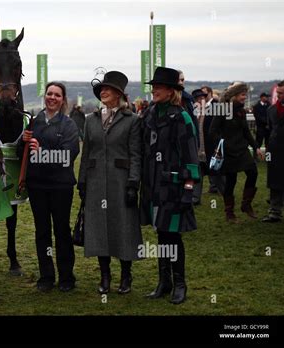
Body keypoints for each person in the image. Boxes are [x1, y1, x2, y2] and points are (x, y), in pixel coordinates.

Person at [78, 71, 143, 295]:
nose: (103, 92)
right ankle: (105, 276)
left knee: (123, 228)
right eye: (101, 90)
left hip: (121, 182)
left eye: (107, 89)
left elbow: (136, 154)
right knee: (99, 230)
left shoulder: (132, 120)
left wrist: (134, 183)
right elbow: (86, 153)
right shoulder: (91, 120)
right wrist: (82, 181)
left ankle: (126, 275)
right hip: (96, 183)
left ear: (118, 94)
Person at [140, 67, 200, 304]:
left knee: (172, 236)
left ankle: (180, 283)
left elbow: (191, 156)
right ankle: (163, 282)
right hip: (154, 185)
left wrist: (189, 188)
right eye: (153, 86)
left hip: (173, 186)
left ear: (172, 91)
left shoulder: (182, 117)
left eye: (159, 86)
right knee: (161, 234)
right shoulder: (151, 114)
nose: (154, 90)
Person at [17, 82, 79, 292]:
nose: (52, 98)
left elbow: (68, 157)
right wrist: (22, 142)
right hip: (37, 186)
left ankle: (66, 277)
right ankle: (46, 276)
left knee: (62, 231)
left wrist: (41, 150)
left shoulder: (69, 125)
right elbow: (21, 156)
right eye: (49, 94)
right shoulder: (33, 122)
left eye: (57, 95)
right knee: (42, 231)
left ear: (63, 100)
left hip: (61, 186)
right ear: (45, 96)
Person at [209, 83, 263, 223]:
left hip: (242, 150)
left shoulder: (241, 111)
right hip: (228, 152)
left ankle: (246, 204)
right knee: (231, 181)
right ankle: (229, 213)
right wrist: (221, 146)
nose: (245, 97)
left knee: (253, 172)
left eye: (245, 95)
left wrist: (256, 147)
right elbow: (212, 132)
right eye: (242, 95)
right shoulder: (222, 109)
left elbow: (246, 131)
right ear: (234, 96)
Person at [262, 80, 284, 222]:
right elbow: (270, 130)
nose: (277, 95)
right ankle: (274, 212)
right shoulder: (271, 110)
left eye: (281, 93)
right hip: (275, 151)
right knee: (275, 182)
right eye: (277, 93)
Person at [201, 85, 225, 195]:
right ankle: (213, 186)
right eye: (202, 94)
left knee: (217, 165)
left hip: (214, 141)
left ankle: (223, 189)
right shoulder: (203, 106)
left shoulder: (215, 105)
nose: (203, 96)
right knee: (210, 164)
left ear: (210, 93)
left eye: (205, 94)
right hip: (205, 140)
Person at [191, 88, 209, 205]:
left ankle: (227, 196)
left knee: (218, 174)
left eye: (203, 98)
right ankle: (195, 198)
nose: (202, 100)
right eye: (199, 98)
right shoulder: (191, 113)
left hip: (209, 147)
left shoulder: (210, 112)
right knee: (198, 172)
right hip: (197, 148)